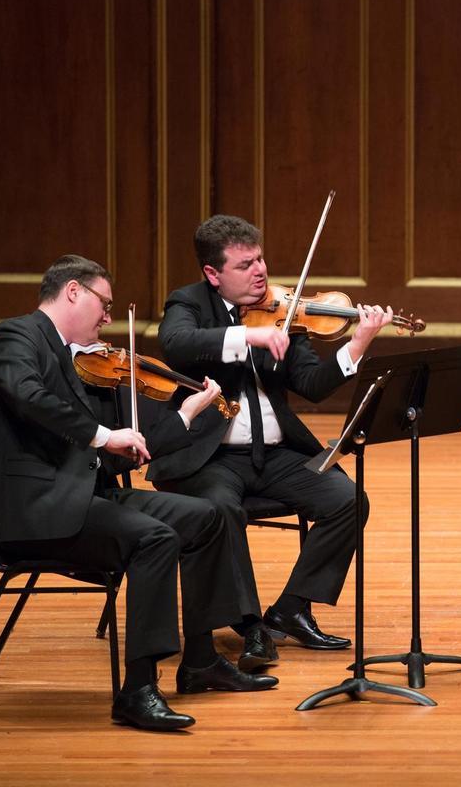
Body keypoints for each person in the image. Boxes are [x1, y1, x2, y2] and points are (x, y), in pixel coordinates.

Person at [0, 255, 277, 733]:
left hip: (84, 495)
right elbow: (31, 398)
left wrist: (184, 416)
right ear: (73, 291)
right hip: (38, 511)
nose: (109, 318)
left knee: (210, 515)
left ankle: (200, 660)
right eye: (105, 303)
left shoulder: (79, 359)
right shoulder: (15, 337)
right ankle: (138, 689)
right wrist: (102, 434)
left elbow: (122, 454)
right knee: (154, 538)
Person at [147, 215, 392, 656]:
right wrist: (248, 336)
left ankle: (292, 609)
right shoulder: (187, 303)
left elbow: (312, 385)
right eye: (244, 265)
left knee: (347, 500)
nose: (259, 271)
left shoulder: (284, 308)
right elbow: (176, 343)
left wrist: (357, 344)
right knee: (221, 509)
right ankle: (250, 624)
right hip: (210, 458)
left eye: (260, 259)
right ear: (213, 274)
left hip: (276, 453)